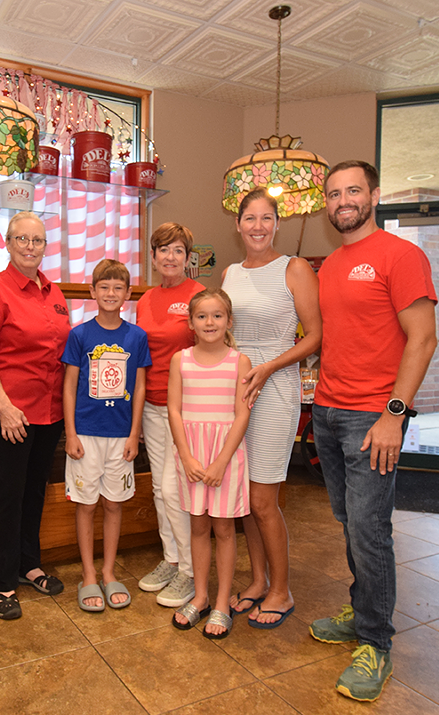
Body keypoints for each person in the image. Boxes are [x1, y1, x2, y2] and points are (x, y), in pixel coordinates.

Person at [307, 160, 438, 702]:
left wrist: (394, 413)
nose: (343, 201)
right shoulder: (332, 264)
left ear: (374, 195)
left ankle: (375, 642)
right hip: (327, 411)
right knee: (347, 520)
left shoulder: (401, 256)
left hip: (371, 418)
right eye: (334, 193)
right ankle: (364, 610)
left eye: (353, 190)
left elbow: (423, 338)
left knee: (369, 529)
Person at [219, 187, 321, 628]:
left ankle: (282, 589)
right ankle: (258, 581)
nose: (257, 226)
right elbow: (222, 332)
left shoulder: (294, 268)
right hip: (237, 387)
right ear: (237, 225)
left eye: (266, 218)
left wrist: (267, 368)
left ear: (277, 224)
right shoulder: (229, 273)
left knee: (263, 498)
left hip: (276, 386)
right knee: (244, 496)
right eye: (250, 218)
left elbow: (316, 335)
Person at [0, 211, 70, 620]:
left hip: (49, 412)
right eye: (21, 239)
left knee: (34, 492)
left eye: (37, 241)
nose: (30, 247)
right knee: (9, 496)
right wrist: (7, 407)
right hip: (7, 412)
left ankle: (30, 565)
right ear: (7, 244)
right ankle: (3, 582)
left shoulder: (55, 292)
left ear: (46, 246)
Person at [63, 258, 151, 612]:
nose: (111, 293)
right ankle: (88, 575)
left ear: (128, 294)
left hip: (121, 436)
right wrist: (70, 432)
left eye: (118, 288)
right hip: (85, 434)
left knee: (114, 504)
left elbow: (140, 388)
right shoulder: (79, 334)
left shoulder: (137, 336)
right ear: (93, 291)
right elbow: (69, 386)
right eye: (104, 287)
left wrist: (135, 434)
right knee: (86, 506)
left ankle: (109, 570)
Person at [167, 289, 250, 640]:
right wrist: (186, 456)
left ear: (228, 321)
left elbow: (242, 413)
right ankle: (200, 596)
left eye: (217, 316)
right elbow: (174, 409)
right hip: (192, 456)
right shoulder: (180, 360)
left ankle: (220, 602)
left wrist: (220, 462)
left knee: (224, 529)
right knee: (197, 527)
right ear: (191, 323)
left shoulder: (239, 361)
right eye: (202, 316)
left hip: (224, 456)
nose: (210, 322)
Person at [134, 223, 204, 608]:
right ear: (154, 255)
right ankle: (171, 558)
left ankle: (191, 572)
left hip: (186, 409)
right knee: (161, 489)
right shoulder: (145, 300)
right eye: (163, 250)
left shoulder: (198, 295)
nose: (170, 257)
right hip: (152, 406)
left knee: (176, 489)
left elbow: (212, 347)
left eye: (178, 250)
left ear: (188, 257)